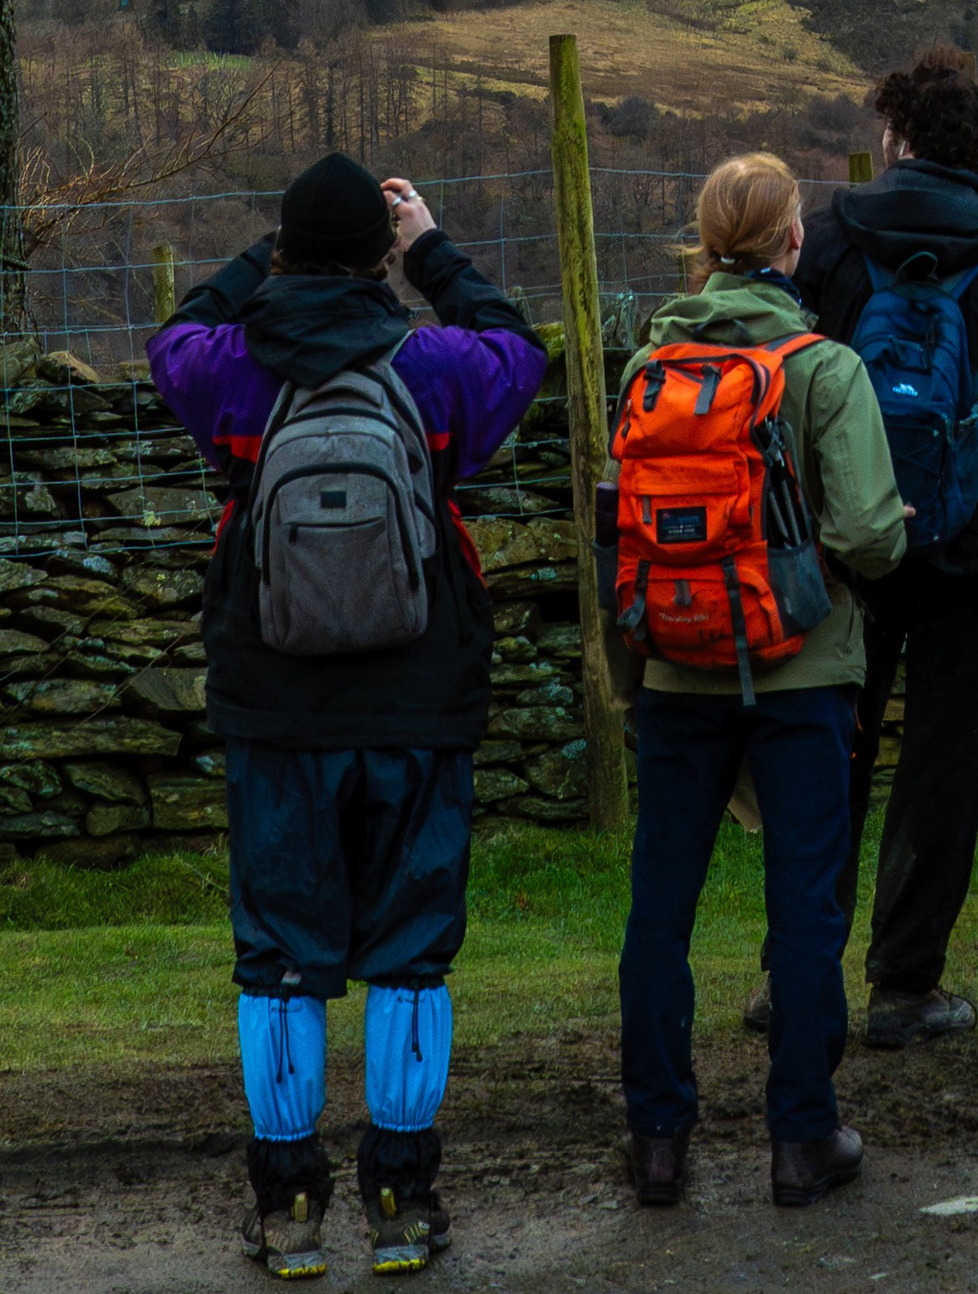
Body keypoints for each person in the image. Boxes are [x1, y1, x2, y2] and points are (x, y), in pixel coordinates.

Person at [150, 151, 547, 1280]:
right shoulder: (434, 366)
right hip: (420, 698)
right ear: (380, 255)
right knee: (411, 952)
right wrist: (431, 250)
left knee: (282, 953)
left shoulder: (231, 367)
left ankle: (288, 1207)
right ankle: (400, 1199)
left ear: (287, 248)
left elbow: (172, 338)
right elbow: (520, 347)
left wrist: (258, 258)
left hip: (275, 701)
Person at [786, 44, 978, 1047]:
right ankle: (905, 982)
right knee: (944, 758)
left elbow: (785, 381)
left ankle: (796, 972)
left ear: (895, 135)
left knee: (830, 741)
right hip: (976, 536)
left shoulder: (834, 238)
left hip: (851, 533)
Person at [615, 153, 909, 1210]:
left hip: (674, 665)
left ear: (705, 243)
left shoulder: (648, 363)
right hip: (803, 668)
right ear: (793, 241)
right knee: (804, 905)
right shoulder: (823, 367)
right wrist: (846, 550)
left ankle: (658, 1138)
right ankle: (802, 1135)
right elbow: (871, 533)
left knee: (661, 906)